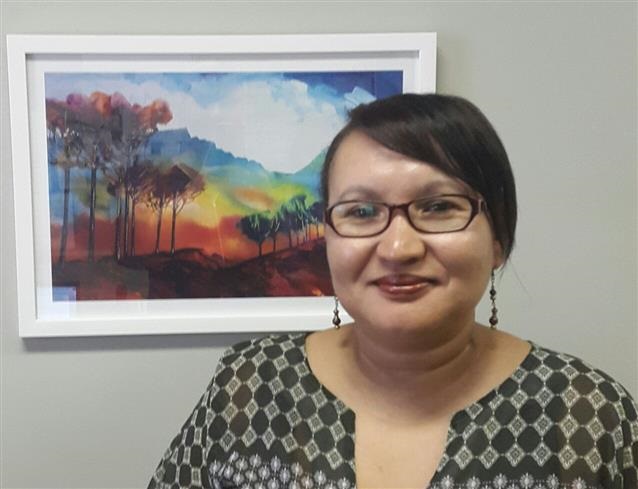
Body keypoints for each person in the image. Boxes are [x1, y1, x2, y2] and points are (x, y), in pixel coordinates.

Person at [148, 94, 637, 489]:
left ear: (498, 238)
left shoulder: (587, 416)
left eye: (439, 207)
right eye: (361, 213)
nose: (399, 247)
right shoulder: (249, 387)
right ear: (329, 237)